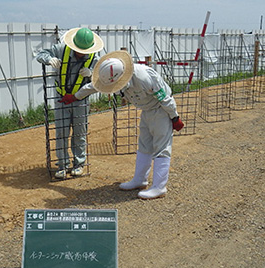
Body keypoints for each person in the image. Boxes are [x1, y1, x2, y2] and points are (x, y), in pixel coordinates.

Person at [64, 50, 184, 199]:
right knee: (144, 145)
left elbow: (164, 98)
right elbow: (93, 87)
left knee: (161, 147)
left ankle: (159, 187)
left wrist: (174, 117)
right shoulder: (111, 77)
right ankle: (140, 180)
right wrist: (75, 97)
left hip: (161, 110)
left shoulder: (144, 77)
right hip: (147, 111)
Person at [36, 27, 104, 179]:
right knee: (61, 132)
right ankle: (62, 165)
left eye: (85, 51)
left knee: (80, 132)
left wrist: (92, 72)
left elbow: (101, 75)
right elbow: (40, 54)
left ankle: (79, 164)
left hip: (81, 100)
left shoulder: (94, 57)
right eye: (79, 50)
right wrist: (49, 59)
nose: (82, 54)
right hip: (61, 99)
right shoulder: (61, 50)